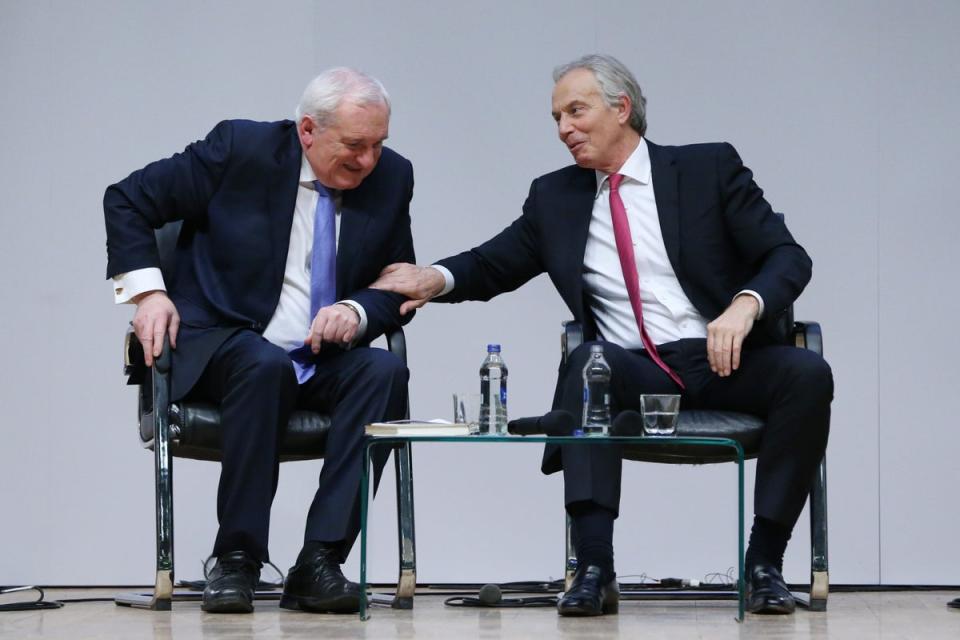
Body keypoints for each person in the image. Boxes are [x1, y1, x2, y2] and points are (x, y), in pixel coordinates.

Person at [372, 54, 833, 617]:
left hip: (723, 358)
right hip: (631, 369)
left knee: (808, 372)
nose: (564, 128)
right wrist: (433, 278)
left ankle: (764, 564)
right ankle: (594, 569)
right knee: (590, 361)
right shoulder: (556, 197)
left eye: (576, 111)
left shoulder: (708, 169)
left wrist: (745, 305)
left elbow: (788, 256)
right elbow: (493, 264)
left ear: (622, 108)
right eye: (556, 117)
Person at [104, 68, 415, 614]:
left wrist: (359, 308)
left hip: (320, 358)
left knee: (385, 372)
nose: (369, 161)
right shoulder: (240, 149)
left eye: (378, 145)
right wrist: (148, 294)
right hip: (228, 344)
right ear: (308, 130)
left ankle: (319, 563)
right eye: (355, 145)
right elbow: (127, 199)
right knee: (262, 363)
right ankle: (237, 559)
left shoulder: (392, 177)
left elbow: (397, 283)